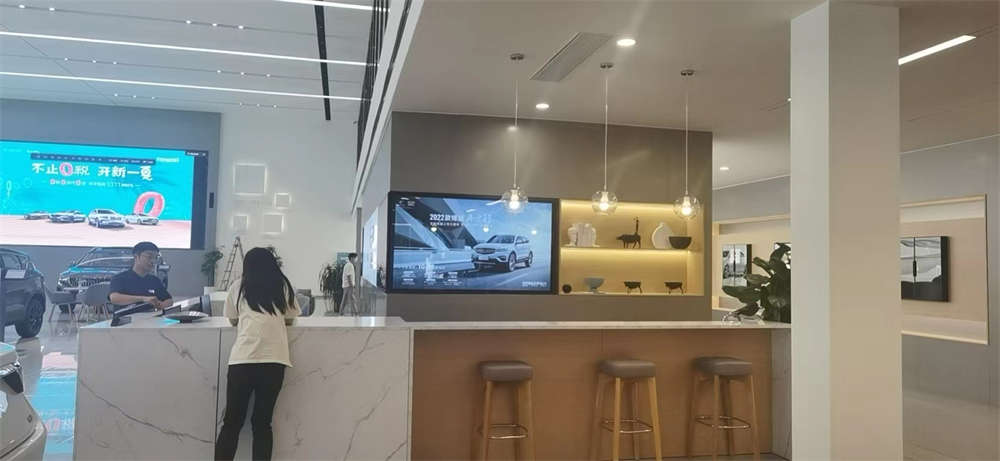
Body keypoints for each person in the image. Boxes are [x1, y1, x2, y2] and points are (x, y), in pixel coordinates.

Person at [216, 247, 300, 461]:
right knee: (262, 423)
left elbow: (232, 319)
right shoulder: (283, 285)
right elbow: (291, 317)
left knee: (232, 422)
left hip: (242, 360)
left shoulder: (238, 286)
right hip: (274, 361)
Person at [108, 241, 172, 309]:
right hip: (127, 315)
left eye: (155, 258)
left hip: (151, 315)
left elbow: (169, 300)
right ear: (136, 257)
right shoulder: (120, 278)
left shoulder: (154, 280)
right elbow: (114, 298)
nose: (153, 261)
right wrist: (143, 299)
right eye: (149, 257)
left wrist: (161, 305)